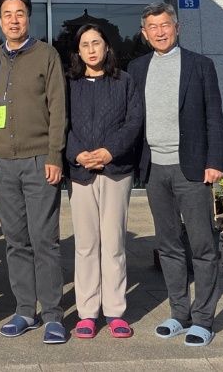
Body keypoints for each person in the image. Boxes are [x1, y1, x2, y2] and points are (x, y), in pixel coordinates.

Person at [127, 1, 223, 347]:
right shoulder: (137, 68)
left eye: (165, 25)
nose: (160, 32)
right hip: (155, 168)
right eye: (152, 27)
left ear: (177, 27)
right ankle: (179, 313)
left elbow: (214, 117)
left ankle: (203, 319)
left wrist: (215, 162)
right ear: (144, 33)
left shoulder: (200, 66)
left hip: (192, 168)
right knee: (168, 245)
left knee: (202, 245)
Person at [0, 0, 68, 344]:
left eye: (20, 13)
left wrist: (55, 155)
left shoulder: (47, 54)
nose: (14, 20)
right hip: (4, 162)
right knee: (16, 241)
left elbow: (58, 108)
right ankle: (24, 311)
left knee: (44, 239)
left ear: (28, 18)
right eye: (8, 14)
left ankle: (52, 315)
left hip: (39, 160)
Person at [65, 21, 144, 341]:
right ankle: (86, 313)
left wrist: (110, 152)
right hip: (81, 172)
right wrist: (77, 154)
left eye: (96, 43)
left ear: (107, 46)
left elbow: (134, 121)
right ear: (78, 51)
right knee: (85, 245)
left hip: (116, 171)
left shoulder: (124, 81)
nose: (91, 50)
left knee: (113, 243)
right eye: (85, 45)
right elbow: (61, 124)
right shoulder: (70, 84)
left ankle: (114, 311)